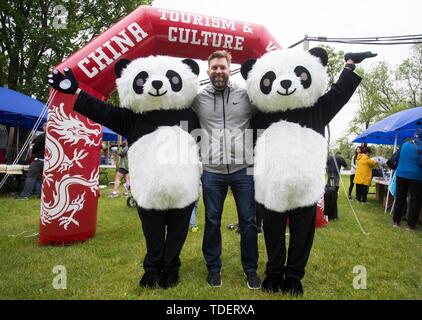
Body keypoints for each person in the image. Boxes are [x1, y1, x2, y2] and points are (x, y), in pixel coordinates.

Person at [191, 50, 260, 289]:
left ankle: (250, 270)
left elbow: (267, 113)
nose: (219, 71)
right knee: (212, 220)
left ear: (230, 69)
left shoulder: (246, 95)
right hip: (211, 171)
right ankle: (213, 268)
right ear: (208, 71)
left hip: (244, 168)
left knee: (249, 221)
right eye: (214, 68)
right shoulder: (197, 98)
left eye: (223, 67)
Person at [392, 129, 422, 230]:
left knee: (400, 198)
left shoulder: (405, 144)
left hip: (401, 174)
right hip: (416, 176)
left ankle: (396, 222)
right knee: (415, 200)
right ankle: (410, 225)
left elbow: (396, 158)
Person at [17, 122, 46, 199]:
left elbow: (34, 148)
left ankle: (25, 195)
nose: (43, 128)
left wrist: (33, 152)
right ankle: (42, 196)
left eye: (44, 126)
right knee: (45, 178)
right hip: (49, 161)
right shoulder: (54, 138)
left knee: (31, 177)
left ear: (45, 127)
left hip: (39, 160)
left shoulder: (41, 136)